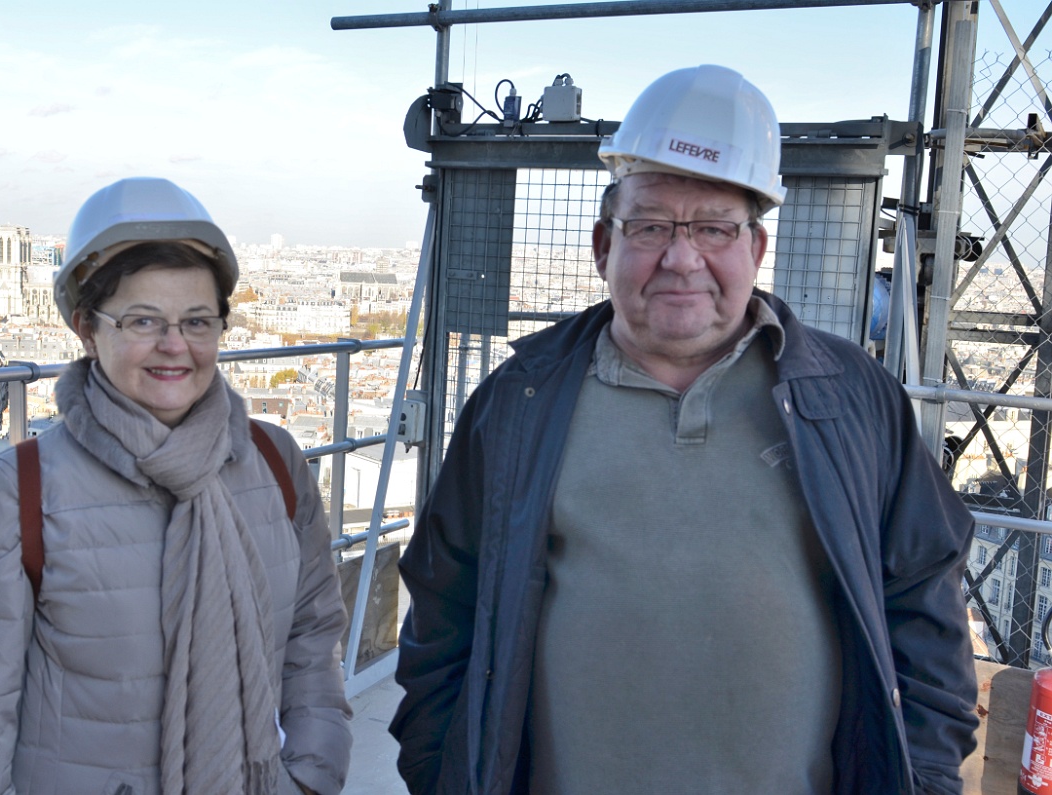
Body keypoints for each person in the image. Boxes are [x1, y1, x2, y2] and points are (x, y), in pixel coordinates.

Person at [389, 65, 978, 794]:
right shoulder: (517, 404)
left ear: (755, 250)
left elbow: (925, 611)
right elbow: (442, 621)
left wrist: (920, 777)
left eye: (713, 228)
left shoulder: (853, 401)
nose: (681, 257)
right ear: (605, 245)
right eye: (653, 225)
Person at [0, 177, 352, 795]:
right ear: (86, 327)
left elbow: (310, 639)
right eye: (143, 320)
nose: (174, 346)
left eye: (197, 321)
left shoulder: (276, 461)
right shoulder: (14, 494)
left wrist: (310, 773)